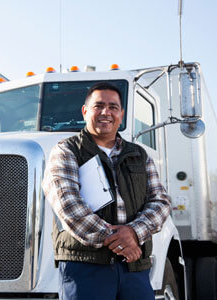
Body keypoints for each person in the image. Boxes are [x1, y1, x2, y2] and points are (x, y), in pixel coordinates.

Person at [43, 82, 171, 300]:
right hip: (86, 266)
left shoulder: (139, 155)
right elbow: (67, 205)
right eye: (98, 106)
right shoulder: (66, 150)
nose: (106, 112)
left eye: (113, 107)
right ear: (85, 112)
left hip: (134, 267)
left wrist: (133, 233)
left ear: (121, 114)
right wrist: (120, 241)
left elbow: (161, 202)